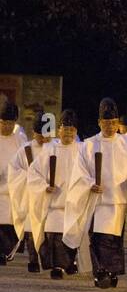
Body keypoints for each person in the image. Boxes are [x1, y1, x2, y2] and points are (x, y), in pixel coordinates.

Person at [80, 97, 127, 288]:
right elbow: (80, 171)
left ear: (118, 123)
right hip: (96, 200)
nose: (109, 126)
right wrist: (89, 183)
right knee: (98, 237)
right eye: (106, 123)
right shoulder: (89, 145)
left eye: (113, 123)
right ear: (99, 122)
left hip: (117, 200)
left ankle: (112, 271)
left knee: (113, 239)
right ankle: (101, 272)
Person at [25, 109, 93, 279]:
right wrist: (44, 186)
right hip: (53, 203)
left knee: (71, 235)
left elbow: (90, 173)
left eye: (71, 130)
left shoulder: (82, 150)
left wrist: (90, 184)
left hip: (74, 204)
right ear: (59, 130)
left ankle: (68, 264)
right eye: (65, 129)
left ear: (76, 131)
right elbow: (34, 172)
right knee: (53, 238)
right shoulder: (50, 149)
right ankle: (57, 266)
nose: (68, 133)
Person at [7, 104, 51, 271]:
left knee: (47, 230)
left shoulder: (54, 147)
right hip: (31, 195)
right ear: (34, 134)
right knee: (32, 228)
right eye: (40, 136)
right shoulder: (25, 150)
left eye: (46, 135)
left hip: (49, 195)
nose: (43, 139)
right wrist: (30, 178)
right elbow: (14, 170)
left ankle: (47, 261)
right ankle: (33, 260)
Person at [0, 100, 29, 263]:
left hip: (12, 192)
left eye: (10, 123)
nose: (6, 127)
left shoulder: (19, 139)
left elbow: (25, 164)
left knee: (9, 224)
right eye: (3, 123)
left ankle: (5, 252)